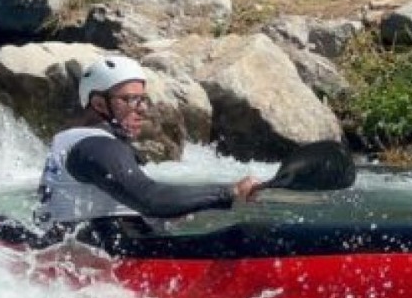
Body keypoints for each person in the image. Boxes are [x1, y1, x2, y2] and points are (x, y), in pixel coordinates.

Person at [35, 55, 261, 247]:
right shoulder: (97, 147)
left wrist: (169, 214)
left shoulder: (75, 140)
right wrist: (230, 191)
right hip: (94, 257)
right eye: (130, 100)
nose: (142, 109)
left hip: (80, 247)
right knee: (245, 239)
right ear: (99, 104)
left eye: (142, 99)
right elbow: (150, 200)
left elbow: (120, 206)